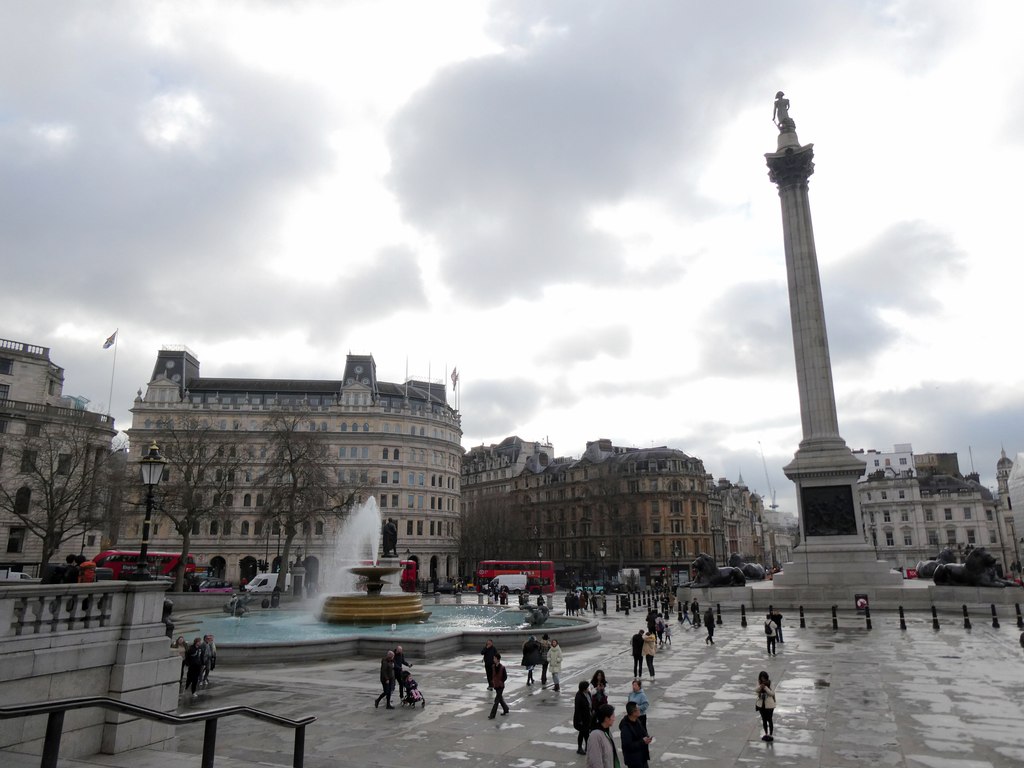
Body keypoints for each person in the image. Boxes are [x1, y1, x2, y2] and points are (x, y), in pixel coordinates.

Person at [619, 700, 652, 768]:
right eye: (637, 709)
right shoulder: (626, 728)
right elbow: (628, 746)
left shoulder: (637, 721)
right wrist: (642, 742)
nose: (639, 710)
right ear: (633, 712)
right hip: (634, 761)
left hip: (642, 758)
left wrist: (647, 738)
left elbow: (643, 733)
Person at [586, 703, 619, 768]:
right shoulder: (595, 736)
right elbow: (596, 762)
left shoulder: (607, 732)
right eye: (613, 716)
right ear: (606, 718)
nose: (614, 718)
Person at [755, 670, 777, 741]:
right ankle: (766, 733)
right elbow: (755, 690)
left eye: (764, 678)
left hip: (769, 705)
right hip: (761, 704)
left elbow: (772, 693)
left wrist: (765, 688)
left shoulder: (770, 683)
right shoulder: (759, 682)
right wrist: (760, 687)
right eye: (761, 678)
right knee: (764, 719)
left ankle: (770, 734)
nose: (763, 679)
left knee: (769, 719)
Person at [573, 680, 593, 755]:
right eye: (587, 687)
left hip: (588, 717)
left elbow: (590, 703)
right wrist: (579, 720)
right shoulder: (579, 696)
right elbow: (577, 709)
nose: (588, 689)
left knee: (585, 733)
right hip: (582, 719)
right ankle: (580, 748)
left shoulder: (588, 694)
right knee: (583, 733)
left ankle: (586, 747)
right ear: (583, 688)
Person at [488, 652, 509, 718]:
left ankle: (492, 715)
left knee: (496, 701)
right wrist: (493, 681)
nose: (493, 659)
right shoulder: (493, 666)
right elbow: (492, 675)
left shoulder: (502, 667)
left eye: (494, 658)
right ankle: (506, 709)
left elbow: (505, 677)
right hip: (496, 685)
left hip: (501, 686)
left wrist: (501, 681)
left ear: (498, 659)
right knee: (500, 699)